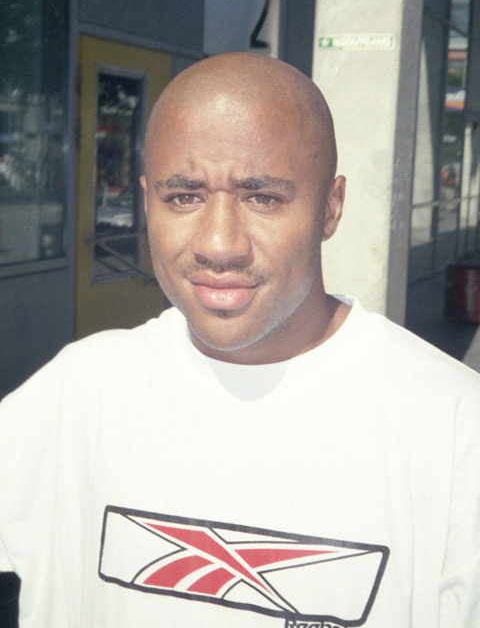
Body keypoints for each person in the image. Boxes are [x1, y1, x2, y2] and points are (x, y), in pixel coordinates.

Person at [0, 52, 479, 628]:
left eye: (262, 197)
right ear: (147, 202)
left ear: (330, 208)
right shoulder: (77, 393)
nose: (220, 245)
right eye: (184, 196)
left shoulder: (455, 427)